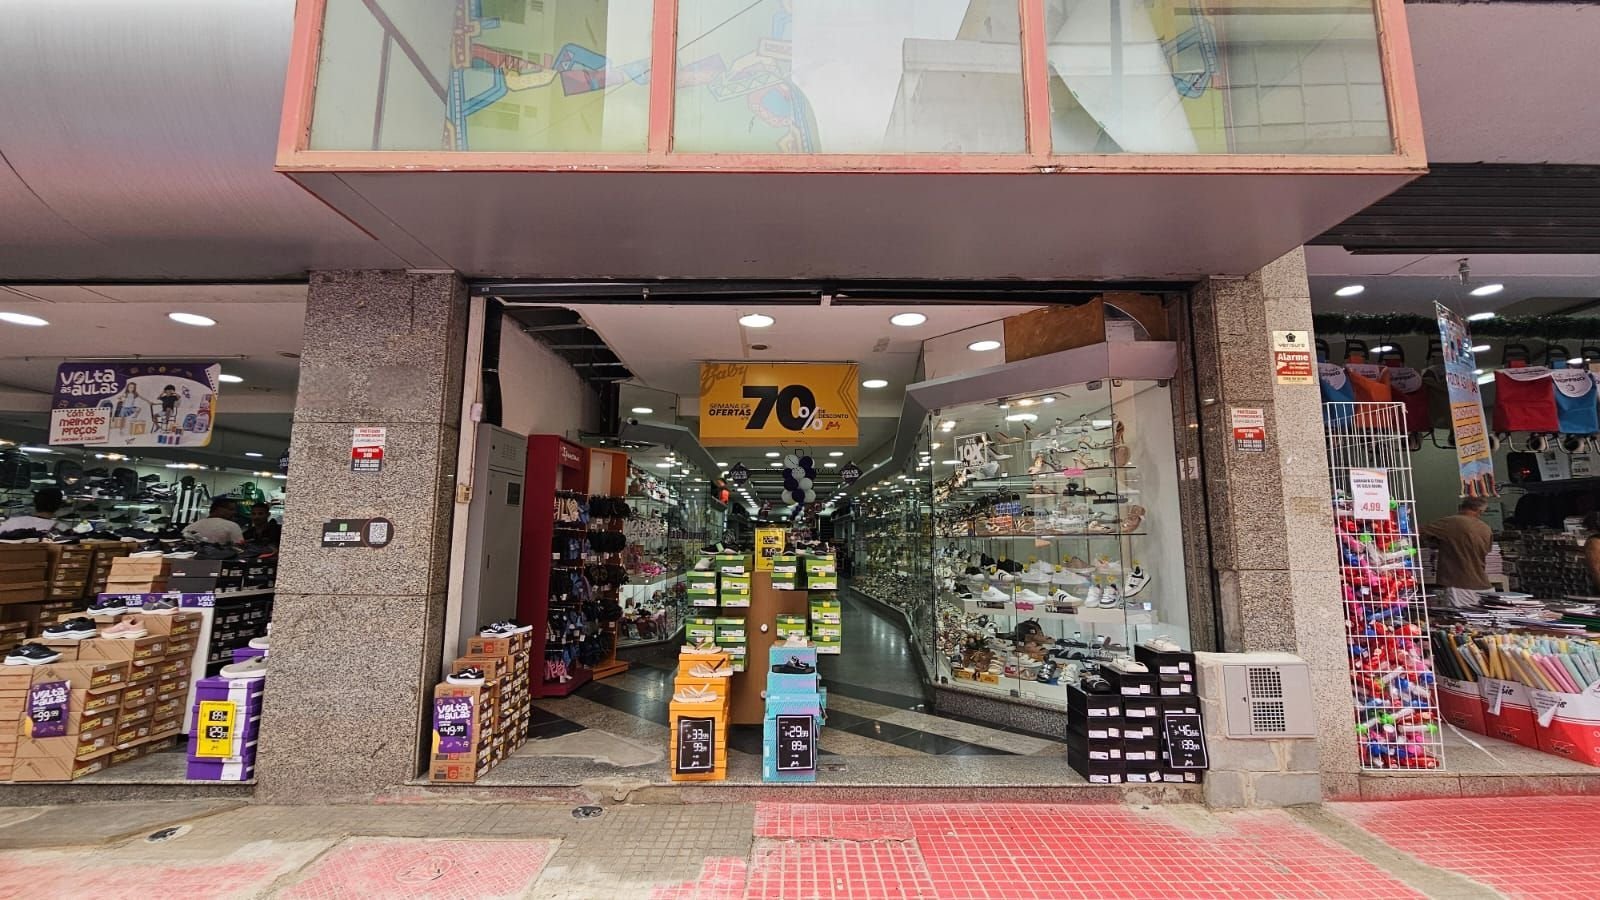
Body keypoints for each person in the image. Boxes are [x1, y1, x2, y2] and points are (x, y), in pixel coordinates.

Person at [1422, 497, 1493, 608]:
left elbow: (1418, 532)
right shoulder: (1486, 528)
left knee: (1459, 617)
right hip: (1483, 584)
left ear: (1460, 507)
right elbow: (1486, 551)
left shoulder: (1450, 522)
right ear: (1480, 511)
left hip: (1458, 583)